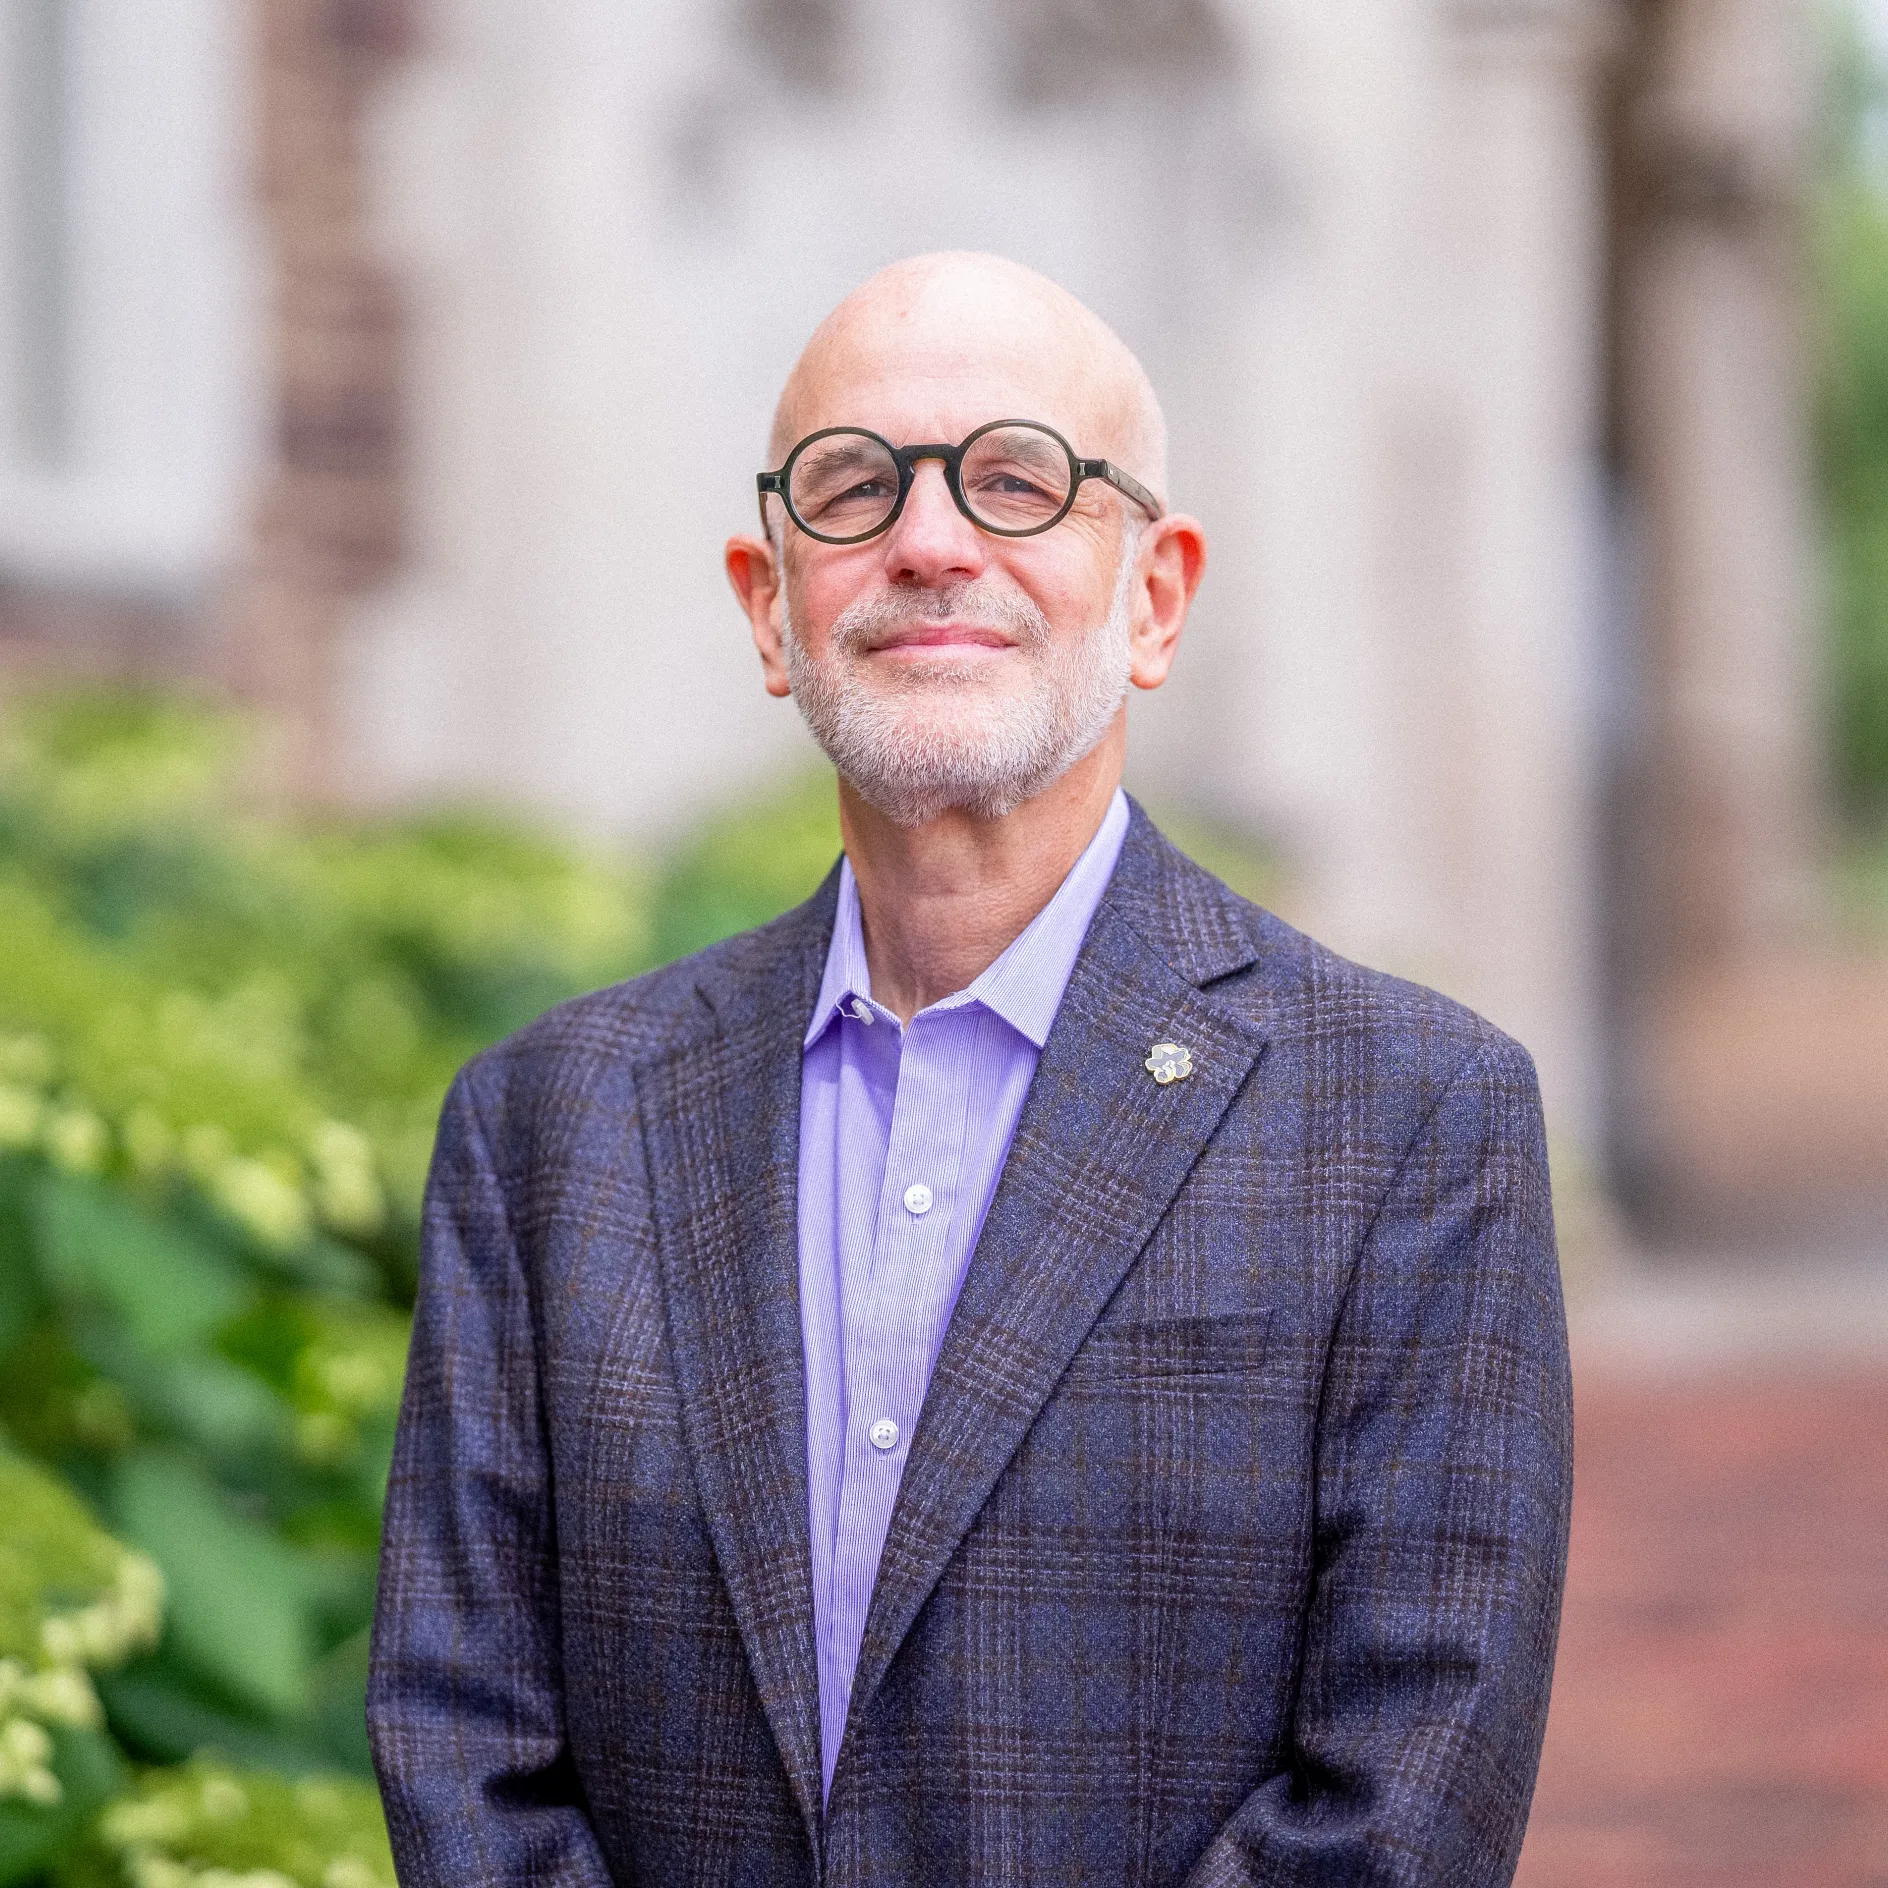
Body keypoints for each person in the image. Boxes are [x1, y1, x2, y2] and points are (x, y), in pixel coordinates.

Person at [368, 252, 1573, 1888]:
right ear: (769, 603)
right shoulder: (545, 1128)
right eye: (854, 487)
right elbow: (463, 1744)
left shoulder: (1412, 1120)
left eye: (1017, 480)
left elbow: (1406, 1793)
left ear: (1151, 596)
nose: (931, 544)